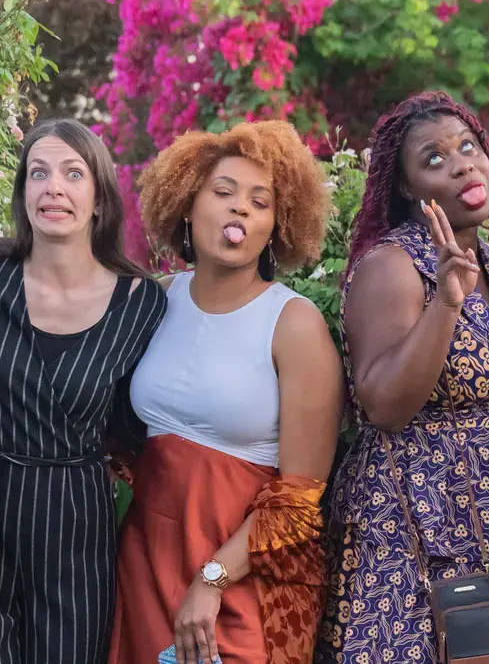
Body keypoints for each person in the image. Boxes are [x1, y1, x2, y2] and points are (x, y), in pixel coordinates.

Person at [315, 91, 489, 664]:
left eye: (468, 147)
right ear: (407, 188)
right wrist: (445, 304)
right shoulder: (394, 266)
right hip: (418, 529)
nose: (462, 164)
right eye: (435, 159)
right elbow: (382, 406)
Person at [107, 122, 344, 664]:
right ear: (188, 206)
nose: (240, 210)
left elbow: (300, 497)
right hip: (144, 564)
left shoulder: (294, 323)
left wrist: (212, 581)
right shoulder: (156, 300)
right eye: (223, 193)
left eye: (259, 202)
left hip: (243, 577)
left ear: (275, 227)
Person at [0, 119, 166, 664]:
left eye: (74, 174)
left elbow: (146, 417)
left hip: (76, 522)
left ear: (98, 198)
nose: (54, 188)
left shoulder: (140, 303)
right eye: (39, 173)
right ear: (23, 192)